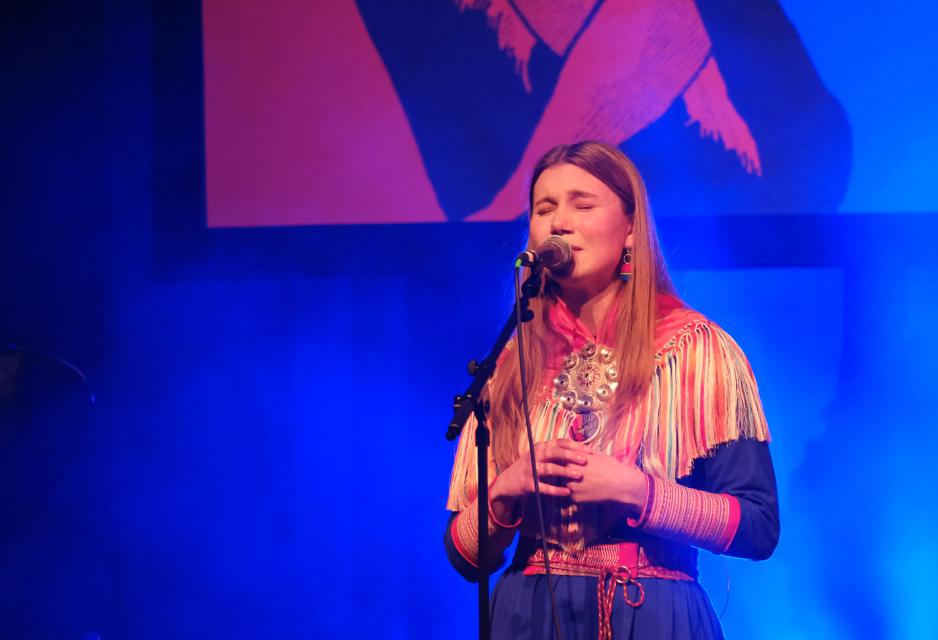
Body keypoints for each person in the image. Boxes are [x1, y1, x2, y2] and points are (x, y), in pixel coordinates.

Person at [443, 141, 779, 639]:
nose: (559, 221)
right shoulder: (510, 363)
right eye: (544, 208)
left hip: (652, 611)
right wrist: (506, 491)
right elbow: (465, 556)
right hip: (527, 614)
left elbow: (757, 526)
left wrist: (635, 491)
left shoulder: (697, 349)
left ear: (629, 227)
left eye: (582, 204)